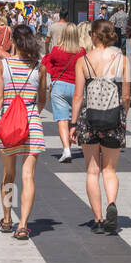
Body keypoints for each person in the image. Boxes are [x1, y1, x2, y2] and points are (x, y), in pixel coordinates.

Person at [0, 25, 48, 240]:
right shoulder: (39, 68)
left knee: (8, 175)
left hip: (8, 124)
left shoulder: (3, 65)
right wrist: (31, 113)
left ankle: (7, 218)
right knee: (28, 175)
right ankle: (23, 225)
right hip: (32, 124)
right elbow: (42, 99)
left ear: (13, 40)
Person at [72, 19, 131, 234]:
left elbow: (78, 96)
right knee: (110, 169)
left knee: (91, 170)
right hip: (114, 118)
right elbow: (126, 95)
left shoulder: (83, 61)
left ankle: (97, 218)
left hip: (89, 118)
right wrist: (122, 114)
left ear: (94, 35)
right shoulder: (123, 60)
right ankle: (111, 204)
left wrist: (73, 122)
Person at [43, 21, 84, 162]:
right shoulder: (82, 51)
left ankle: (66, 149)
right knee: (74, 119)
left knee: (62, 120)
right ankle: (72, 141)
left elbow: (47, 62)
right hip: (76, 87)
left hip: (59, 86)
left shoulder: (56, 50)